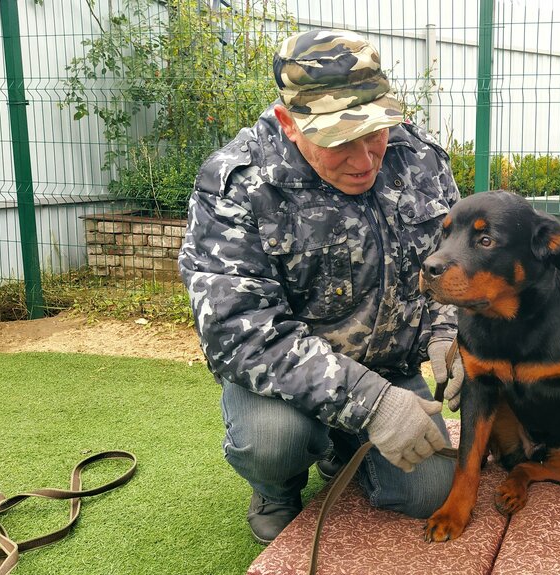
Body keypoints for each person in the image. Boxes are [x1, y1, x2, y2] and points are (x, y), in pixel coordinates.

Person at [178, 29, 465, 545]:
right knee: (274, 441)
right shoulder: (238, 183)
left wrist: (450, 333)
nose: (365, 160)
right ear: (289, 122)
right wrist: (371, 404)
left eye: (374, 131)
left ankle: (340, 448)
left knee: (431, 491)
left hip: (389, 370)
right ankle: (277, 485)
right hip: (285, 389)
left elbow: (450, 260)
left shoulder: (419, 158)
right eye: (338, 140)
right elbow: (238, 334)